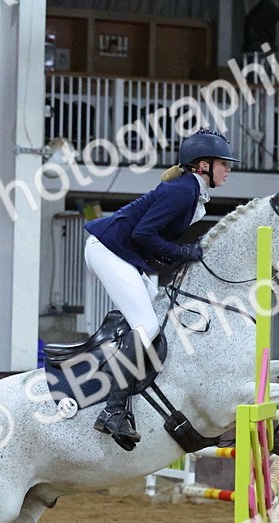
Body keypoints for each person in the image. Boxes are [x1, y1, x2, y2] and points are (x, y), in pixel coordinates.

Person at [82, 128, 238, 445]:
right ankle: (113, 409)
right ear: (203, 165)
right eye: (224, 163)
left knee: (160, 323)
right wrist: (182, 253)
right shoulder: (183, 191)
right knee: (148, 324)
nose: (229, 169)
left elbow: (151, 239)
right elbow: (143, 235)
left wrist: (176, 257)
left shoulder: (190, 191)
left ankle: (135, 403)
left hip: (125, 254)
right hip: (108, 249)